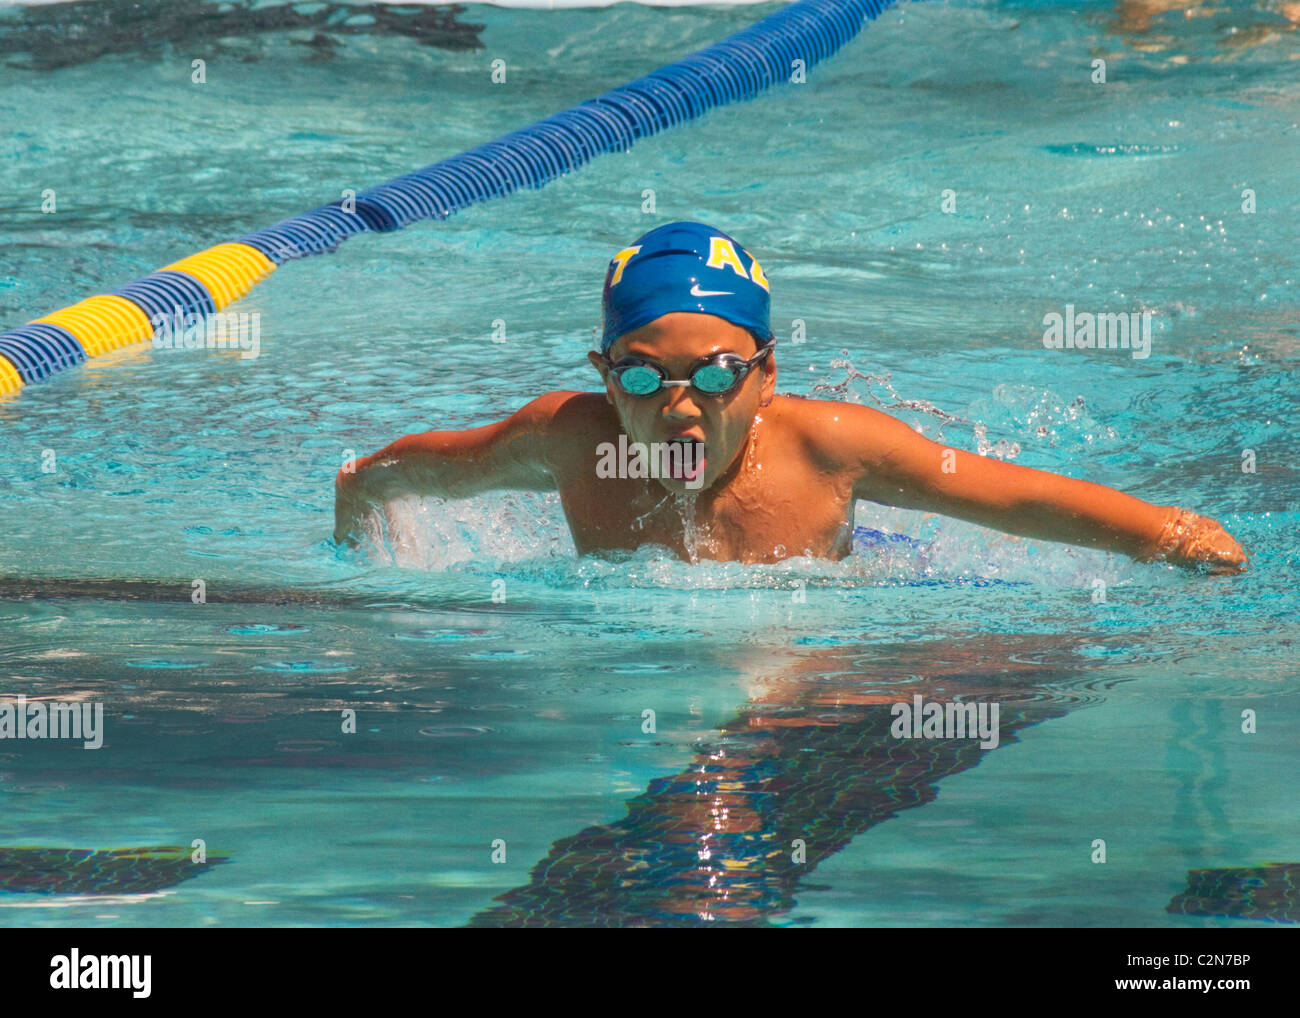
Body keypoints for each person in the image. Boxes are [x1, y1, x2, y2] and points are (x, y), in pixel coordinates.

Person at [333, 221, 1247, 571]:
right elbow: (413, 472)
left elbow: (1009, 494)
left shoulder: (828, 448)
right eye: (647, 375)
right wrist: (358, 504)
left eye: (720, 372)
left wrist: (1167, 535)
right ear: (608, 379)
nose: (682, 405)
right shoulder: (570, 439)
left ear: (765, 375)